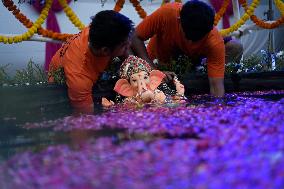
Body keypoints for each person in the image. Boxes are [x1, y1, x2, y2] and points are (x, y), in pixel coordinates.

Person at [131, 0, 243, 97]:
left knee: (235, 47)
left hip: (192, 65)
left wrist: (217, 114)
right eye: (189, 35)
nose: (192, 42)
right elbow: (134, 36)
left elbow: (216, 87)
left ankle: (201, 69)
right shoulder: (167, 13)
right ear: (179, 20)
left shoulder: (214, 41)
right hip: (158, 63)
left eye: (199, 38)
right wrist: (153, 69)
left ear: (209, 29)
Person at [48, 10, 134, 113]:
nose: (129, 46)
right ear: (105, 50)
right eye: (124, 45)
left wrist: (135, 67)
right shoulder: (79, 77)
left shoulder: (100, 29)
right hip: (61, 88)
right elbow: (85, 120)